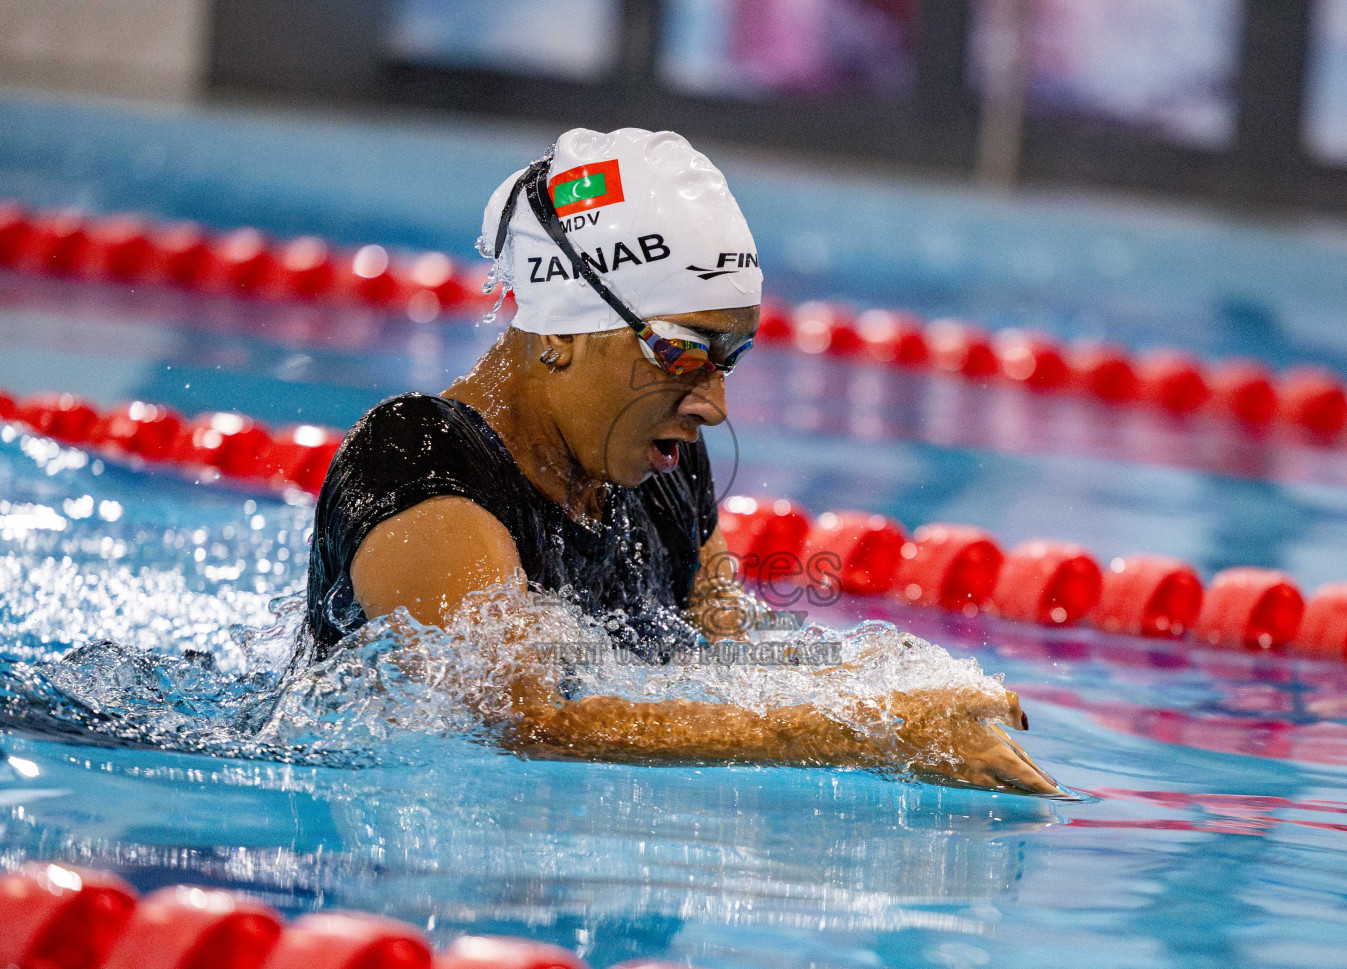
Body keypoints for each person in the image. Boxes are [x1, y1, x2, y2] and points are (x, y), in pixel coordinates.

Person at [299, 127, 1059, 796]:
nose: (714, 405)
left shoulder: (659, 468)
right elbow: (527, 724)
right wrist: (865, 733)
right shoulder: (418, 462)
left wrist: (908, 691)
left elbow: (726, 653)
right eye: (684, 351)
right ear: (563, 326)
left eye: (731, 357)